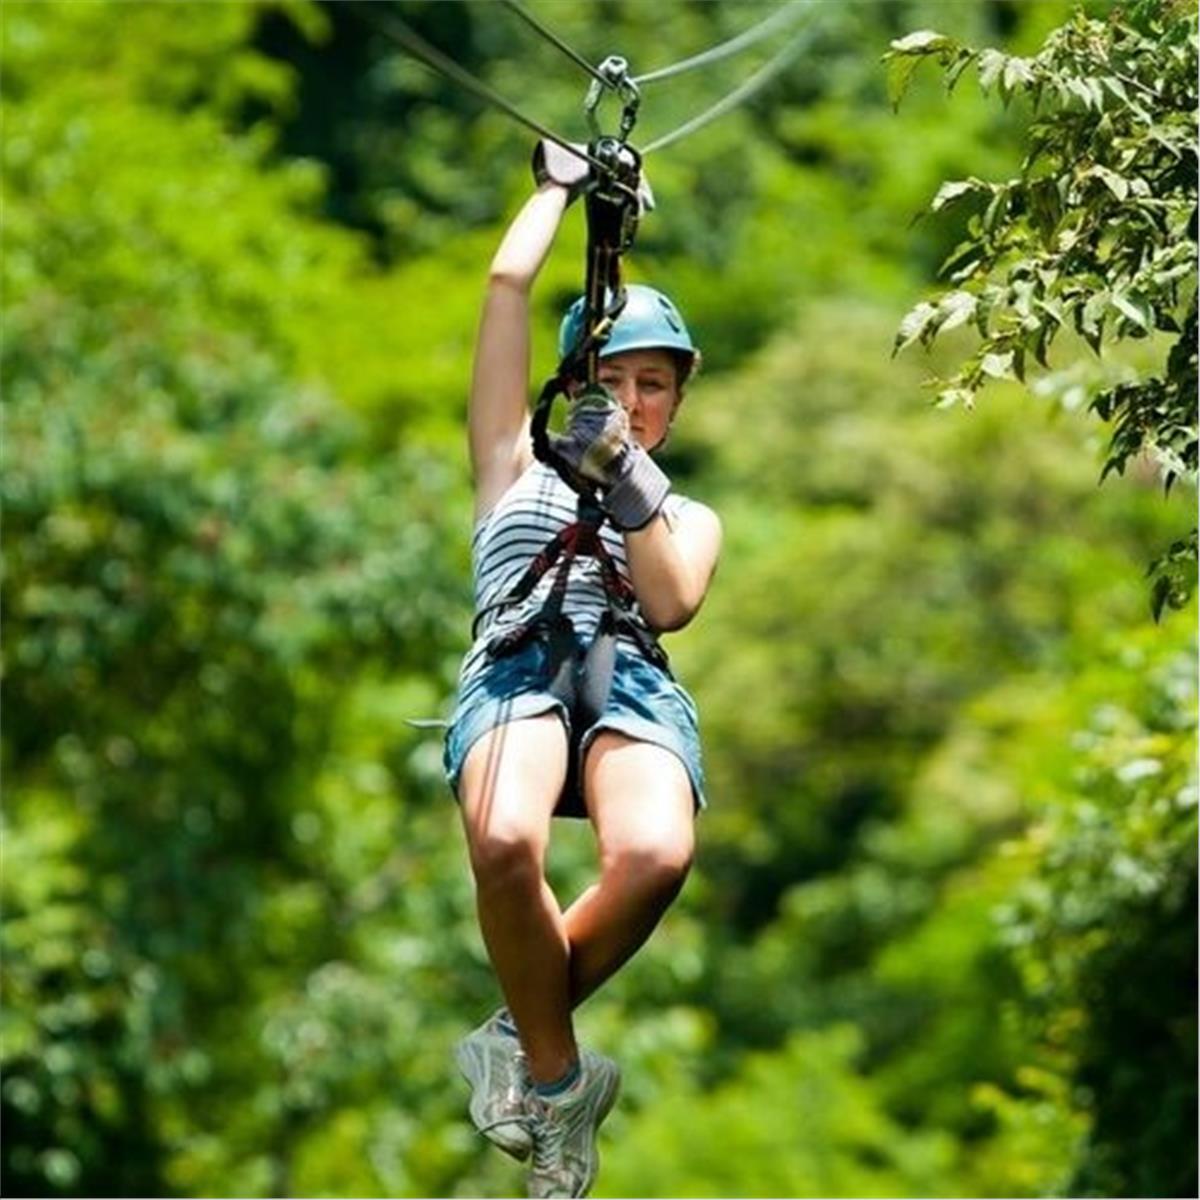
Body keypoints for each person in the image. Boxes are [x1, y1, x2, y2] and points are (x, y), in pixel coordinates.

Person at [443, 141, 721, 1199]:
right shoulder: (509, 463)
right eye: (610, 380)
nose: (632, 399)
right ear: (572, 386)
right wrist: (558, 192)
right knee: (506, 841)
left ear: (676, 406)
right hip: (519, 664)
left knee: (655, 853)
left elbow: (673, 600)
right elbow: (506, 286)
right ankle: (558, 1085)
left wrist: (628, 483)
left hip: (630, 677)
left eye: (653, 386)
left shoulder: (688, 513)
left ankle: (516, 1033)